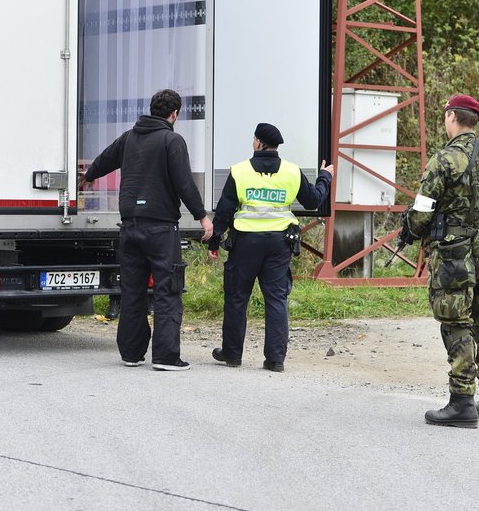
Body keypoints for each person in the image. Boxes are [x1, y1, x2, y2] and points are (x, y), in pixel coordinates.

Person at [401, 94, 479, 428]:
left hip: (455, 256)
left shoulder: (444, 159)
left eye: (445, 116)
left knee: (456, 322)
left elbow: (422, 211)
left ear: (452, 117)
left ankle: (462, 401)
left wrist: (410, 228)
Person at [80, 89, 213, 371]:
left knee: (132, 291)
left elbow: (105, 159)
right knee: (167, 290)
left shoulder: (130, 137)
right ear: (174, 114)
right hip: (161, 229)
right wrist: (203, 217)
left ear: (152, 109)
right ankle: (166, 357)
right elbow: (184, 183)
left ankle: (131, 353)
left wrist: (89, 177)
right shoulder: (172, 140)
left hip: (130, 227)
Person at [207, 123, 333, 372]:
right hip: (278, 244)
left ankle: (232, 354)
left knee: (236, 298)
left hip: (245, 244)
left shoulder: (240, 171)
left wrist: (213, 242)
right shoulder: (291, 171)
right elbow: (314, 200)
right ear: (275, 146)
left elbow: (223, 211)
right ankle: (275, 359)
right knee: (276, 299)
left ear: (258, 143)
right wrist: (324, 177)